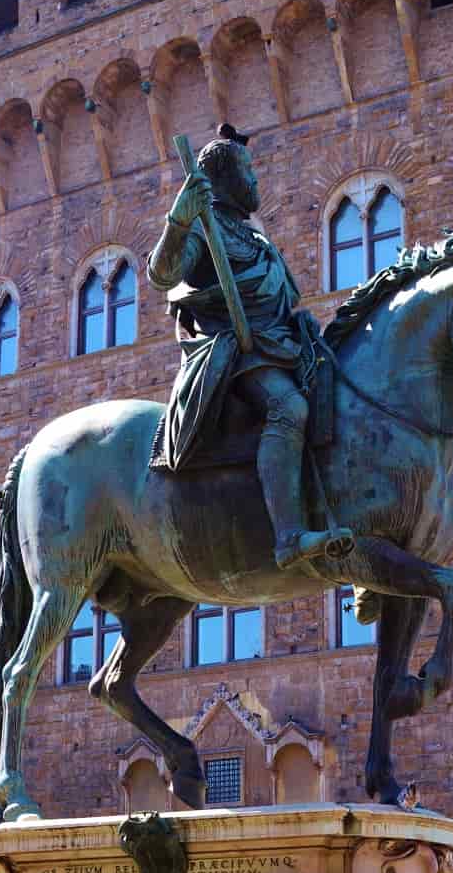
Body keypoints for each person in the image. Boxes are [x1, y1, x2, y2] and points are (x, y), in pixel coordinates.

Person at [147, 123, 351, 570]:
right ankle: (289, 536)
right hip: (236, 353)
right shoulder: (205, 228)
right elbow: (162, 275)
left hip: (278, 344)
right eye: (249, 172)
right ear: (225, 180)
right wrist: (179, 219)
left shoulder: (250, 235)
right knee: (289, 409)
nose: (256, 181)